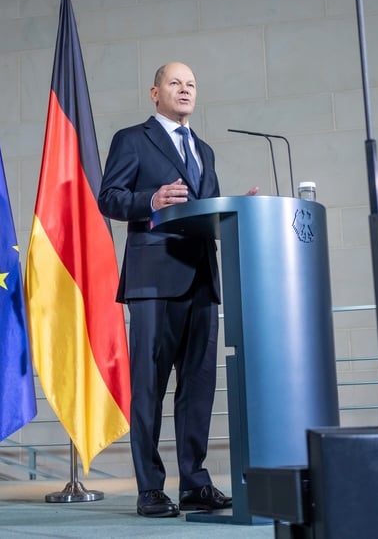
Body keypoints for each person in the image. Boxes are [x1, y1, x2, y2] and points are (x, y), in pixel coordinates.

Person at [98, 61, 257, 518]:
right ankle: (150, 487)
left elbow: (207, 208)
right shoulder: (132, 139)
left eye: (191, 84)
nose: (185, 90)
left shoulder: (203, 149)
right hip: (154, 278)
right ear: (155, 93)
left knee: (198, 386)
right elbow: (109, 198)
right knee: (149, 385)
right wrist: (150, 200)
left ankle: (194, 482)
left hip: (202, 277)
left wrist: (237, 210)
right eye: (175, 83)